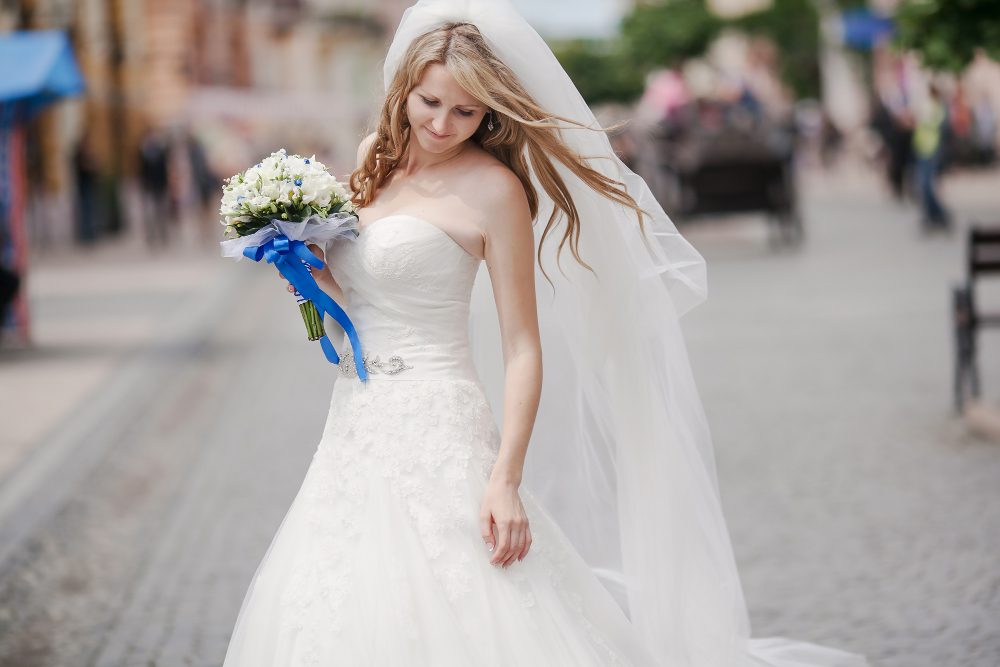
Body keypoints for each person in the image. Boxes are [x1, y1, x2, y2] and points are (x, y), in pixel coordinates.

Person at [222, 2, 869, 665]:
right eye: (430, 102)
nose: (442, 124)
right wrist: (306, 276)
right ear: (405, 88)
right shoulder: (373, 161)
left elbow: (523, 346)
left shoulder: (496, 189)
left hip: (442, 421)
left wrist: (506, 478)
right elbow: (359, 310)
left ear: (489, 115)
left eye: (466, 112)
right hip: (353, 422)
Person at [913, 83, 951, 230]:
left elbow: (937, 129)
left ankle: (938, 214)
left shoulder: (937, 108)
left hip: (931, 151)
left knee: (926, 186)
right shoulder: (929, 106)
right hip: (922, 149)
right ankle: (932, 215)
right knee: (923, 186)